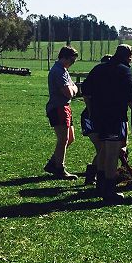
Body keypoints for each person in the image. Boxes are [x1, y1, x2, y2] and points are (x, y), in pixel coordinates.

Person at [82, 44, 132, 203]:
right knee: (112, 153)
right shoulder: (124, 70)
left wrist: (91, 110)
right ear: (129, 56)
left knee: (103, 151)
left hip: (98, 117)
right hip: (115, 117)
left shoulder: (98, 69)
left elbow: (85, 92)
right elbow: (131, 99)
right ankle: (109, 190)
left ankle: (100, 185)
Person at [44, 46, 79, 179]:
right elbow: (70, 92)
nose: (72, 63)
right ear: (64, 57)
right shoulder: (58, 71)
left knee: (70, 138)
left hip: (65, 107)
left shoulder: (64, 70)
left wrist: (73, 88)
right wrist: (74, 88)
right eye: (71, 60)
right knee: (63, 139)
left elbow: (73, 88)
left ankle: (53, 163)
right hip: (58, 108)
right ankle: (60, 168)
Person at [81, 54, 112, 185]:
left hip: (101, 117)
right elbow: (86, 95)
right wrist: (91, 111)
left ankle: (93, 174)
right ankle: (94, 175)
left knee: (103, 148)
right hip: (90, 117)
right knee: (102, 148)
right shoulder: (95, 78)